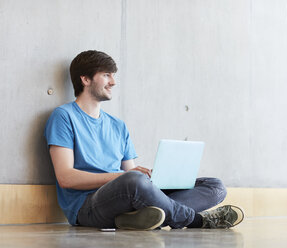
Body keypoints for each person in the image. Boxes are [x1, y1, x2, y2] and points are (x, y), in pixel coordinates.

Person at [44, 50, 244, 230]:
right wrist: (123, 176)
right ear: (85, 79)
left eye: (113, 75)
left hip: (126, 195)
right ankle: (196, 221)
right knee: (134, 180)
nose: (113, 81)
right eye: (106, 75)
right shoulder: (64, 116)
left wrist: (153, 177)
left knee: (213, 186)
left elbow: (129, 171)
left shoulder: (118, 126)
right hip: (87, 207)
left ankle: (139, 217)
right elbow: (66, 177)